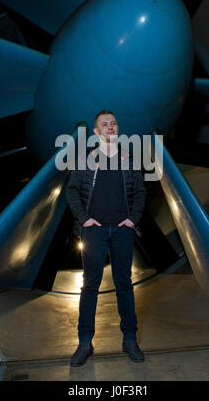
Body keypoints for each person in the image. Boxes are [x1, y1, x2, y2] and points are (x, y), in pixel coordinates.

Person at [66, 110, 146, 367]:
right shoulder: (86, 160)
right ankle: (85, 343)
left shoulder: (130, 159)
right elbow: (72, 190)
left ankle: (130, 340)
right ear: (96, 131)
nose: (110, 127)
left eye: (113, 123)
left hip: (122, 230)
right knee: (90, 287)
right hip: (94, 232)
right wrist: (84, 218)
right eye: (105, 124)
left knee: (125, 285)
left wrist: (132, 218)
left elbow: (142, 191)